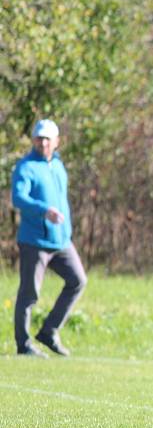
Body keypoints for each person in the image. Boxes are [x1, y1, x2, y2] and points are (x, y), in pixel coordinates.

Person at [11, 119, 87, 358]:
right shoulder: (26, 167)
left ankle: (49, 331)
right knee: (29, 293)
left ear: (56, 142)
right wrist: (44, 210)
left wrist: (68, 231)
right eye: (39, 138)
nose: (42, 142)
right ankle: (23, 345)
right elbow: (18, 198)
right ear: (34, 140)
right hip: (35, 241)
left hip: (61, 241)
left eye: (47, 138)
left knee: (78, 280)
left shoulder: (58, 166)